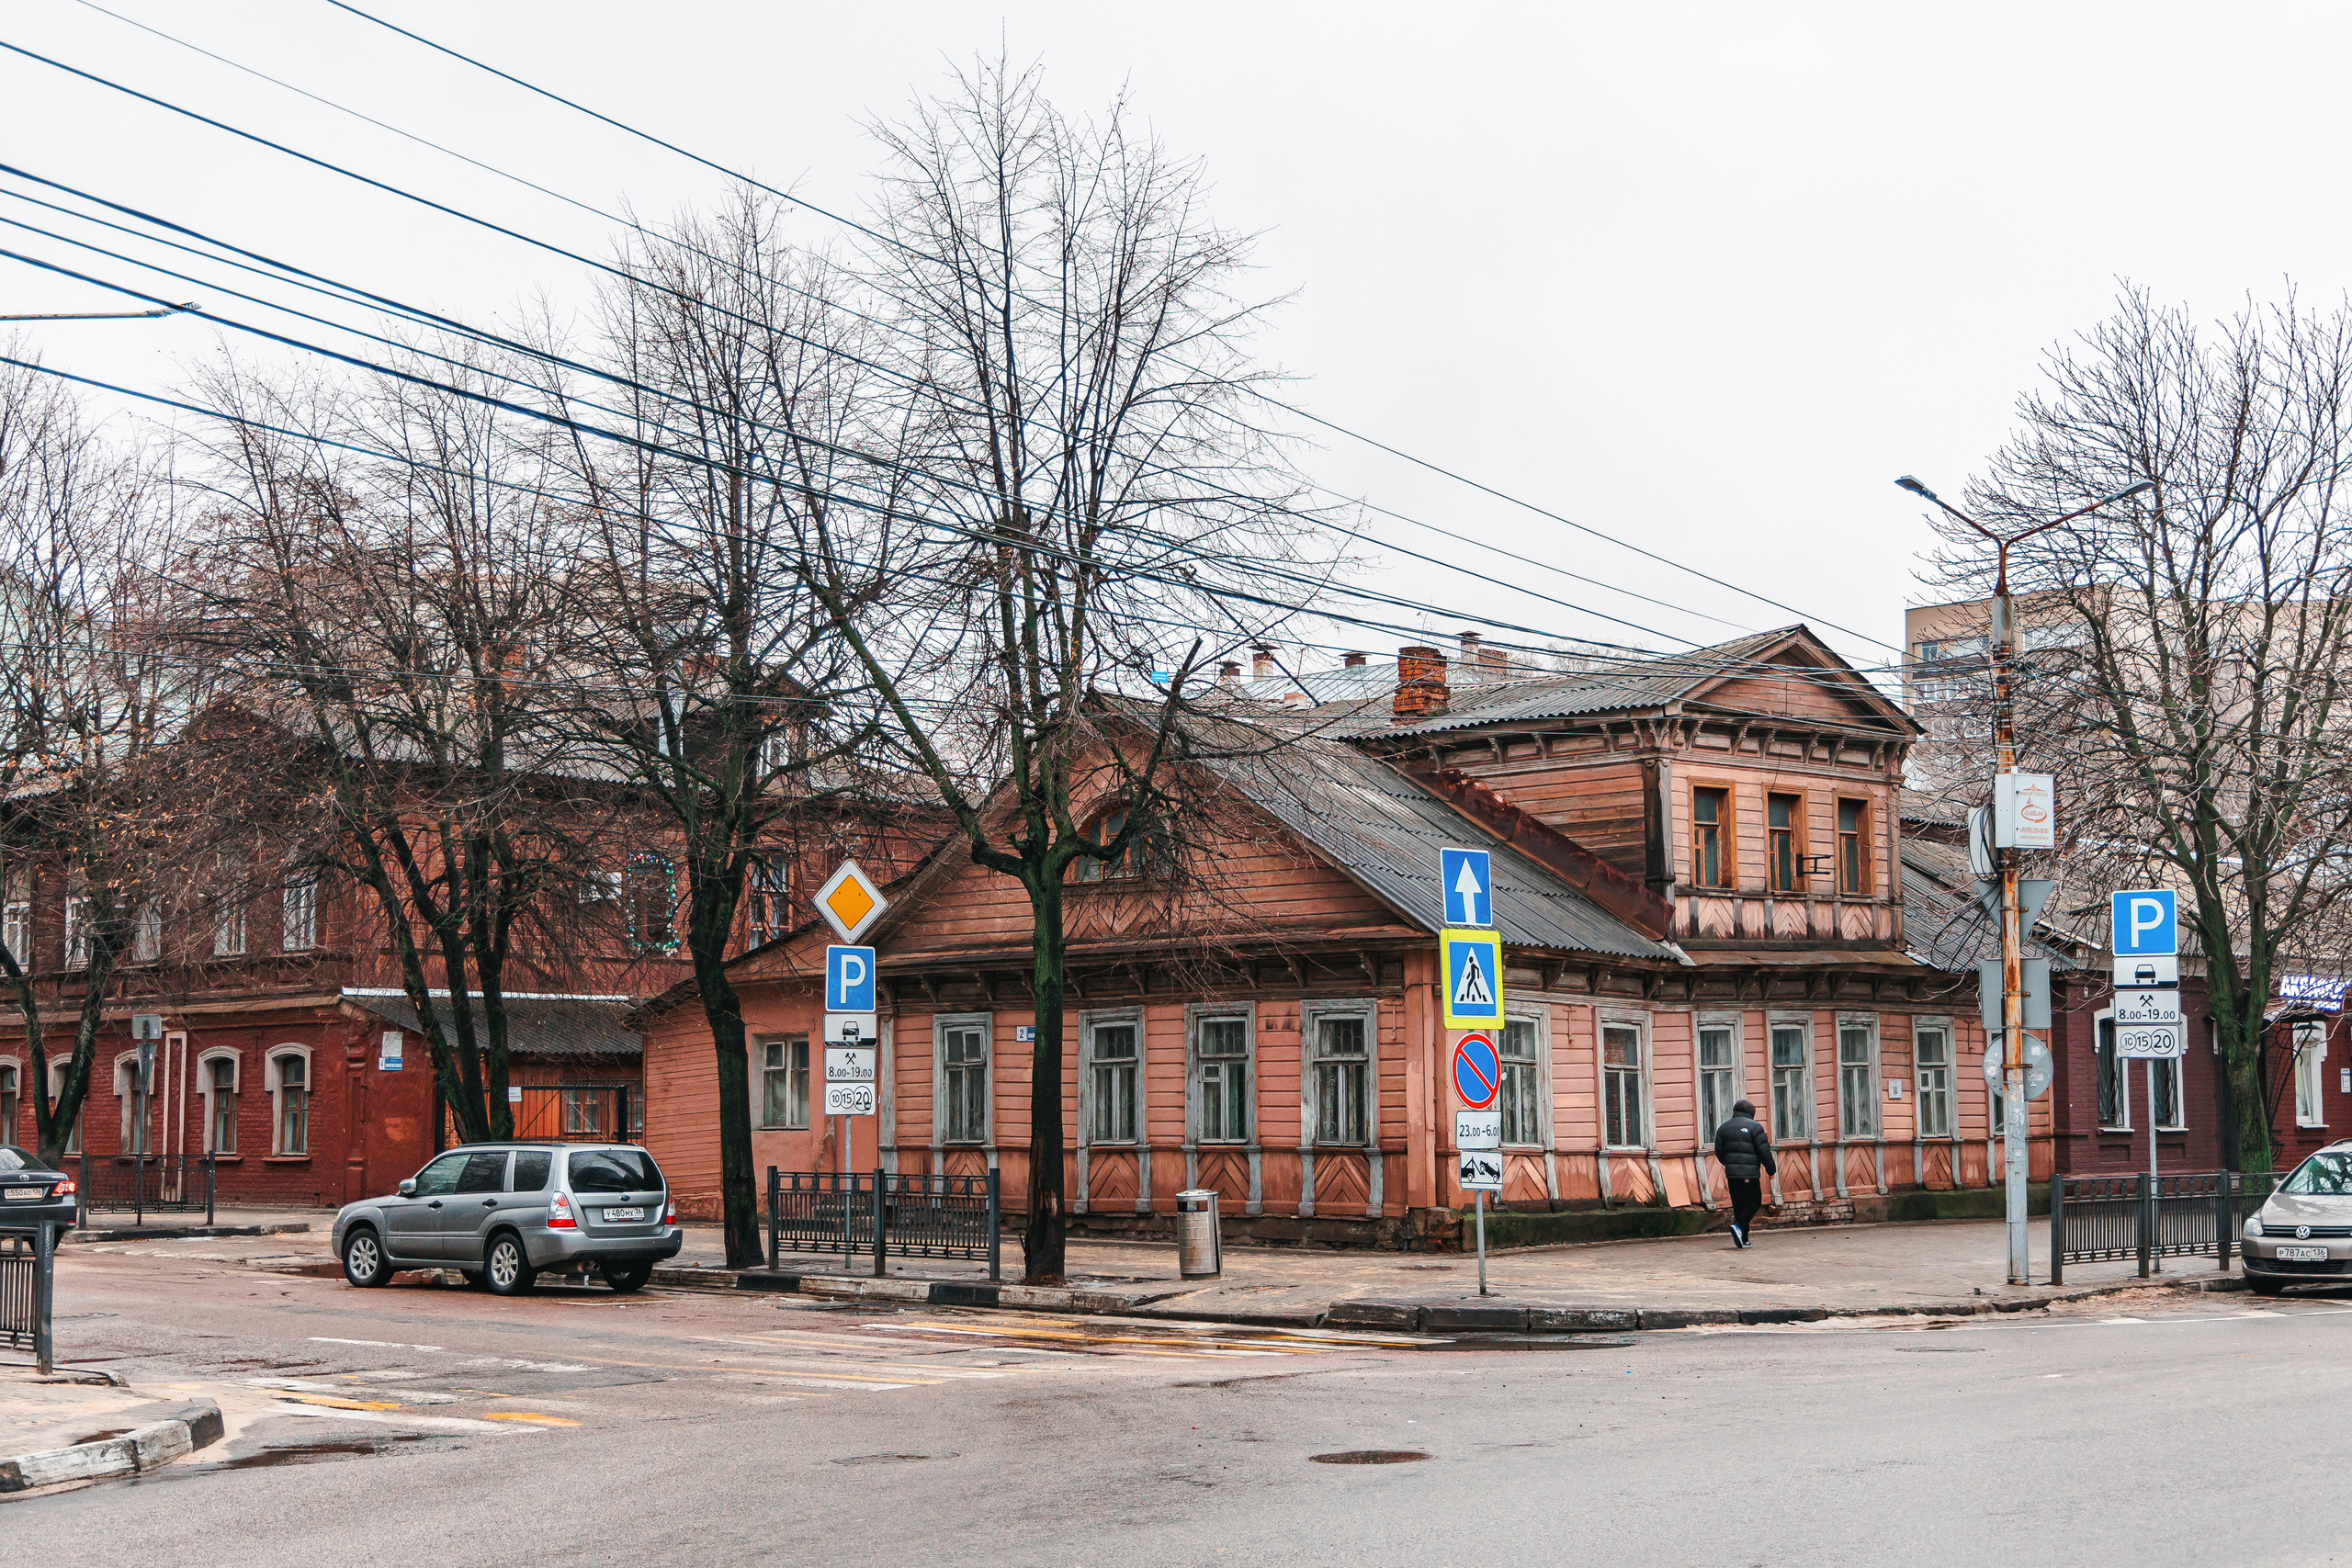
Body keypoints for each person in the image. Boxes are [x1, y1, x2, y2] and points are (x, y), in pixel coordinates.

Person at [1713, 1099, 1776, 1248]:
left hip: (1732, 1175)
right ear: (1751, 1113)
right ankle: (1739, 1225)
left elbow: (1719, 1152)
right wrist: (1771, 1170)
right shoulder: (1755, 1127)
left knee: (1739, 1206)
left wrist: (1730, 1165)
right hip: (1750, 1175)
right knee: (1754, 1202)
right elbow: (1764, 1152)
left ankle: (1744, 1239)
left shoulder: (1723, 1128)